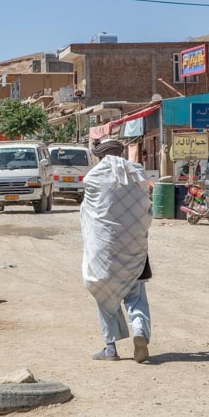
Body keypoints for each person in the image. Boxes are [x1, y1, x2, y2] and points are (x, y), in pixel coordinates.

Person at [81, 139, 153, 363]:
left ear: (99, 157)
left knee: (104, 295)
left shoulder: (94, 178)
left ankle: (110, 348)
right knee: (136, 296)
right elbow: (146, 210)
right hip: (134, 251)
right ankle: (139, 331)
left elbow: (92, 214)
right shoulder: (136, 175)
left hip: (105, 254)